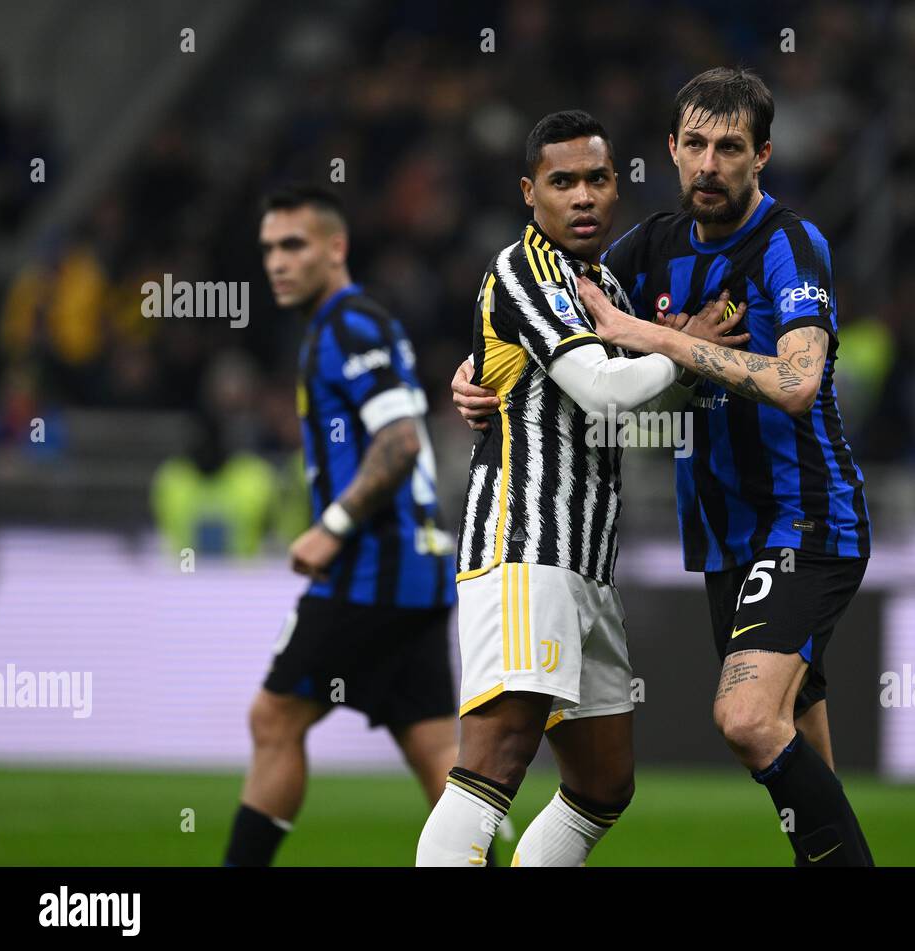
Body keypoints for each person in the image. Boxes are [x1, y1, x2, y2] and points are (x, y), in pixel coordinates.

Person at [414, 111, 744, 867]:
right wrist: (686, 343)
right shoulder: (523, 269)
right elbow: (601, 391)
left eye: (597, 178)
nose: (584, 196)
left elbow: (639, 398)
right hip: (524, 545)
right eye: (563, 182)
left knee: (603, 783)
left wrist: (680, 359)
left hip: (589, 562)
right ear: (531, 193)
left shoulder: (602, 284)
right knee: (495, 762)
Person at [223, 185, 458, 866]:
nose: (278, 262)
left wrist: (331, 523)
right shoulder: (349, 326)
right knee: (434, 748)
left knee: (273, 719)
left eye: (294, 245)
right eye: (269, 249)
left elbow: (402, 440)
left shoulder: (347, 325)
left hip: (367, 568)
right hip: (417, 572)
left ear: (335, 247)